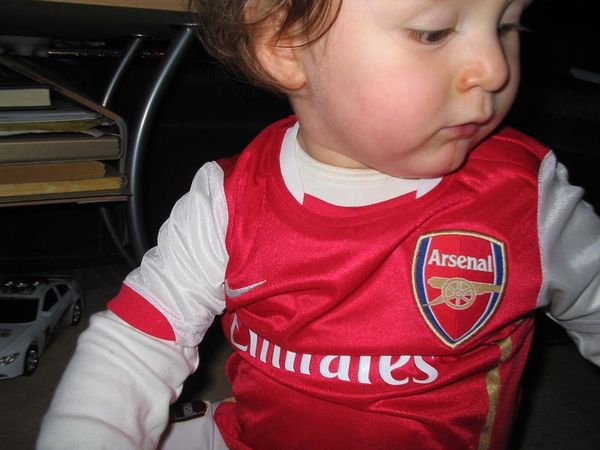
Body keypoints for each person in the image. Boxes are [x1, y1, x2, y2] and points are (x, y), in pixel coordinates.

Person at [37, 0, 600, 449]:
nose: (495, 68)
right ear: (285, 45)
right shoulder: (229, 199)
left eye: (507, 25)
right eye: (433, 32)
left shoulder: (526, 198)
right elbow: (136, 343)